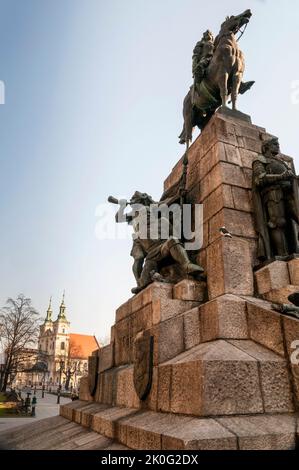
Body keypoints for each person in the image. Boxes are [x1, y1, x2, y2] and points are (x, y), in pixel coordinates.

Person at [115, 191, 205, 294]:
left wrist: (178, 194)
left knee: (172, 240)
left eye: (148, 214)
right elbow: (118, 218)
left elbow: (167, 202)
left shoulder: (158, 216)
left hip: (157, 246)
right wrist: (122, 206)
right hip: (139, 240)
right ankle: (139, 283)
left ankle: (187, 265)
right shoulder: (135, 212)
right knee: (138, 258)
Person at [252, 137, 299, 261]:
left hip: (288, 194)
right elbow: (259, 179)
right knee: (277, 223)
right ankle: (282, 254)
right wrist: (281, 176)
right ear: (267, 147)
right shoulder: (260, 160)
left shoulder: (281, 162)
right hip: (273, 194)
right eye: (275, 144)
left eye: (278, 144)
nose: (278, 146)